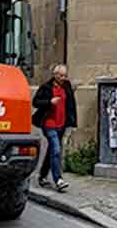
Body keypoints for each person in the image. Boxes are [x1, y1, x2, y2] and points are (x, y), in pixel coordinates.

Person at [32, 64, 77, 192]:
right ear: (55, 75)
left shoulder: (66, 86)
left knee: (53, 149)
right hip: (49, 124)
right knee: (56, 150)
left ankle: (42, 175)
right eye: (61, 75)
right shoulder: (46, 87)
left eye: (65, 75)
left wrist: (71, 121)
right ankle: (58, 180)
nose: (63, 78)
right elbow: (35, 102)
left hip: (61, 124)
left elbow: (71, 104)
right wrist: (49, 102)